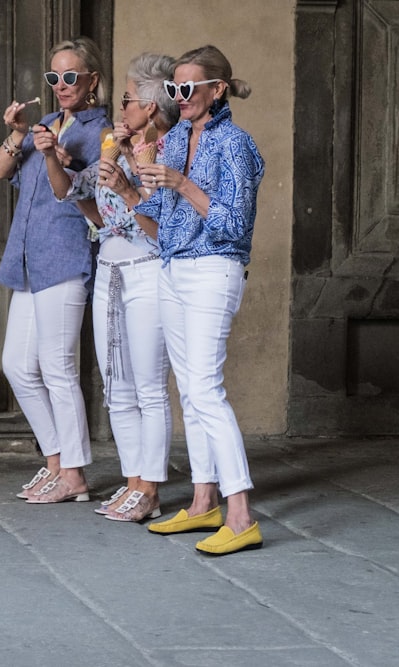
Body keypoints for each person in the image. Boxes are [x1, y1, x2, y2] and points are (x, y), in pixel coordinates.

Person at [131, 45, 266, 555]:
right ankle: (203, 501)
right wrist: (128, 183)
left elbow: (234, 224)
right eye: (174, 88)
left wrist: (183, 183)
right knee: (189, 390)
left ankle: (240, 514)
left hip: (214, 270)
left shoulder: (236, 144)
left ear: (217, 90)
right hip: (172, 269)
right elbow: (160, 221)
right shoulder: (172, 142)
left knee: (206, 389)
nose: (179, 97)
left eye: (189, 88)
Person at [44, 53, 179, 523]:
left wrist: (126, 180)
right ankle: (131, 480)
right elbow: (76, 194)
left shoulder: (169, 156)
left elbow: (162, 227)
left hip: (147, 271)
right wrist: (50, 155)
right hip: (109, 272)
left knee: (148, 387)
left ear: (152, 109)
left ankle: (150, 488)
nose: (120, 108)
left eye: (128, 100)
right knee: (116, 387)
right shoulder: (111, 146)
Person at [0, 37, 110, 504]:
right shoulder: (45, 124)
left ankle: (74, 475)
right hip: (28, 260)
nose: (60, 85)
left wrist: (61, 156)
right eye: (54, 77)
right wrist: (16, 134)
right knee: (17, 365)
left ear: (92, 80)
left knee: (58, 368)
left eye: (70, 77)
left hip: (66, 258)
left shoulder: (103, 133)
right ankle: (55, 462)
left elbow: (97, 199)